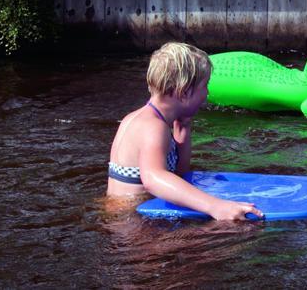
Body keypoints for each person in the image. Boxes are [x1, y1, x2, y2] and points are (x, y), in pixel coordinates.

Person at [106, 42, 263, 221]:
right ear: (184, 92)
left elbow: (180, 173)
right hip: (134, 224)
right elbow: (153, 178)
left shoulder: (142, 118)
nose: (207, 93)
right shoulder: (153, 127)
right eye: (205, 86)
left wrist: (183, 127)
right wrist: (216, 206)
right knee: (235, 235)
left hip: (128, 217)